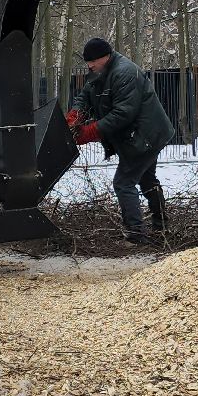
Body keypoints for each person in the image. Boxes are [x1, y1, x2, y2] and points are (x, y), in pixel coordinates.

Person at [68, 37, 173, 245]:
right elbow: (85, 96)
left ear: (106, 56)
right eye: (87, 62)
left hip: (146, 136)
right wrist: (75, 115)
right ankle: (161, 226)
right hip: (141, 135)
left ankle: (136, 235)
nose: (89, 66)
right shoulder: (100, 72)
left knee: (124, 183)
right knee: (147, 180)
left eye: (93, 61)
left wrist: (90, 132)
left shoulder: (125, 73)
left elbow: (123, 114)